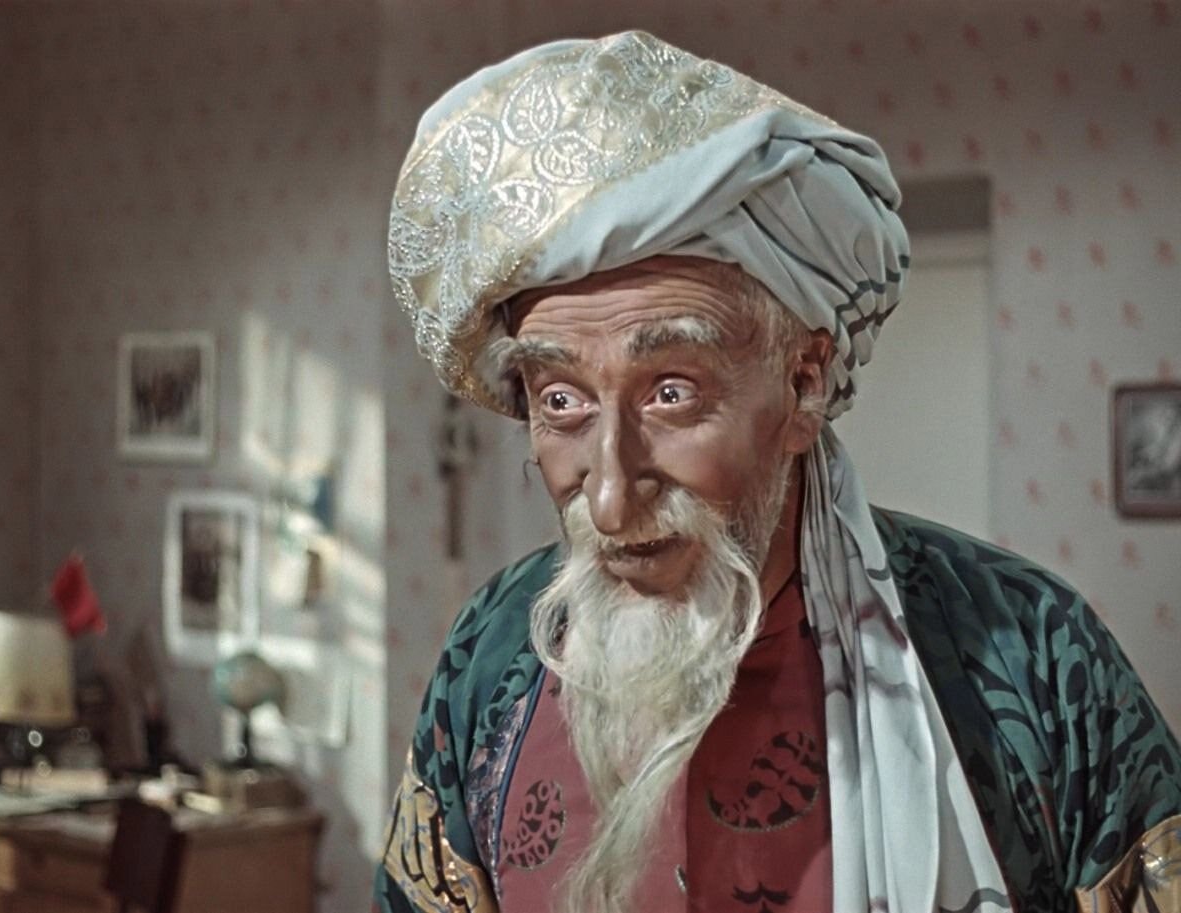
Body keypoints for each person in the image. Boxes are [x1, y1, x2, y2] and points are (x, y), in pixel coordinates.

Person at [375, 31, 1180, 913]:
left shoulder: (1030, 653)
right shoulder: (493, 652)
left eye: (671, 393)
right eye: (560, 400)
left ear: (804, 382)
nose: (607, 498)